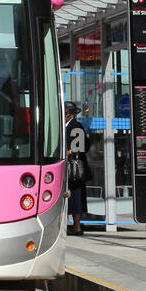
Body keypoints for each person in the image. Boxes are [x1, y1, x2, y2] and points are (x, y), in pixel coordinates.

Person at [65, 101, 90, 236]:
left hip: (75, 168)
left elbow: (78, 148)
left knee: (76, 196)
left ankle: (77, 227)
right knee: (73, 196)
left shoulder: (76, 126)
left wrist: (65, 153)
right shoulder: (68, 125)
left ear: (69, 113)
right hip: (71, 167)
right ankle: (75, 225)